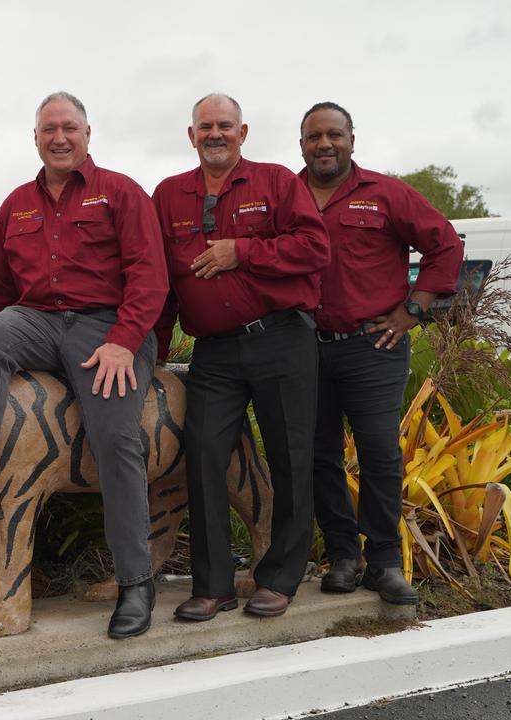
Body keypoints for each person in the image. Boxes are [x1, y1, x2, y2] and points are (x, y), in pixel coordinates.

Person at [0, 91, 169, 640]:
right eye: (48, 129)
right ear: (34, 137)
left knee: (115, 440)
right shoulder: (16, 204)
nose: (59, 137)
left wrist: (125, 341)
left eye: (69, 128)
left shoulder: (122, 193)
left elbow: (150, 279)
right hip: (37, 319)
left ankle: (136, 582)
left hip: (106, 326)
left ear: (88, 134)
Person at [153, 93, 330, 621]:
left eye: (224, 126)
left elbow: (314, 247)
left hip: (280, 338)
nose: (215, 134)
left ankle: (279, 577)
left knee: (290, 459)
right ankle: (213, 586)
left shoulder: (276, 181)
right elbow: (159, 282)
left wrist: (243, 250)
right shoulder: (167, 195)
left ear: (242, 132)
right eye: (205, 126)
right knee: (204, 455)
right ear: (191, 135)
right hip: (215, 350)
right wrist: (155, 357)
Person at [298, 101, 463, 604]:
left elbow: (446, 245)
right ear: (300, 144)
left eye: (334, 135)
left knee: (379, 454)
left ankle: (385, 561)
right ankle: (344, 557)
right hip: (305, 348)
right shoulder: (286, 194)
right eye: (313, 137)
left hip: (373, 347)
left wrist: (413, 310)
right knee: (318, 456)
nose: (324, 144)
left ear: (352, 139)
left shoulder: (386, 194)